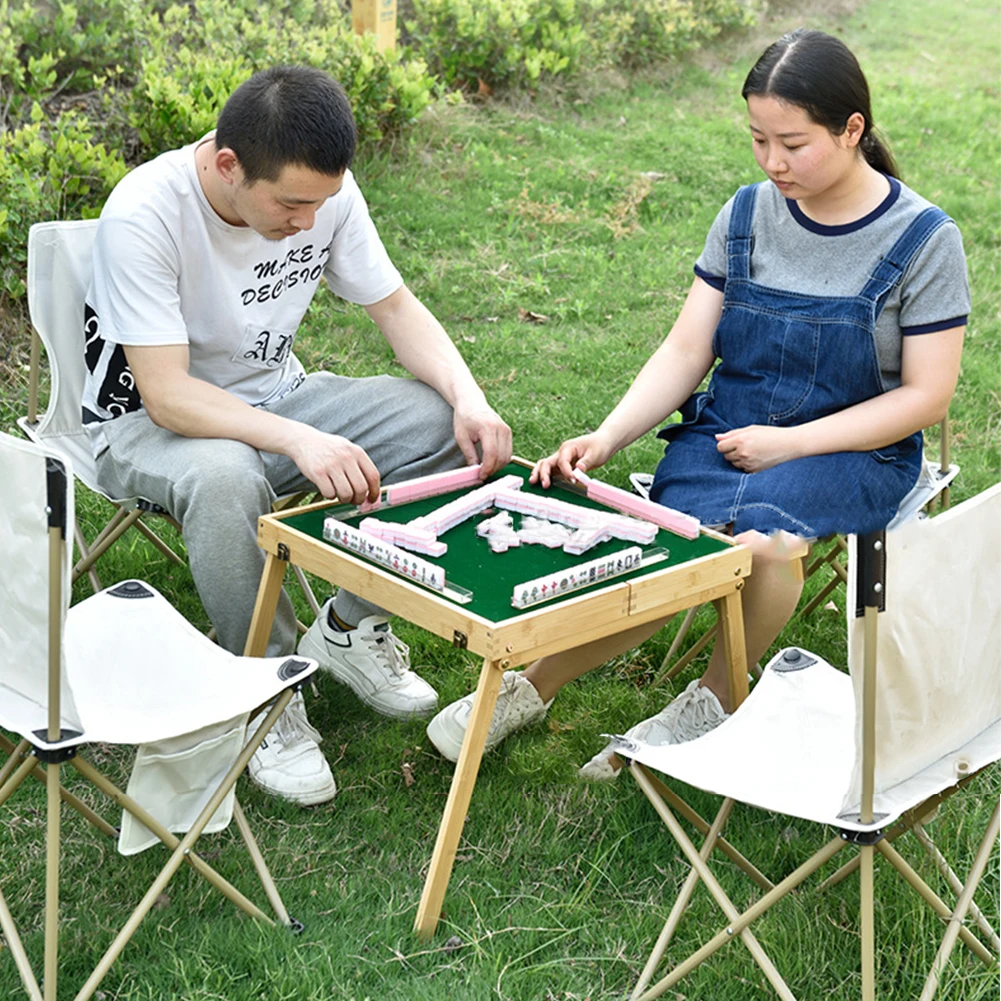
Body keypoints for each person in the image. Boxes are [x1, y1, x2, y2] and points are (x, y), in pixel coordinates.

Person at [425, 29, 968, 777]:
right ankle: (531, 686)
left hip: (853, 451)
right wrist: (608, 435)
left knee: (763, 546)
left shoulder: (924, 239)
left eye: (792, 143)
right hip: (726, 433)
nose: (772, 163)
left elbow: (925, 395)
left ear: (852, 131)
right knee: (672, 545)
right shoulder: (746, 214)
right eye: (757, 140)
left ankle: (712, 698)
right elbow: (686, 351)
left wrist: (792, 444)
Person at [82, 66, 511, 806]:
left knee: (446, 426)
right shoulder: (145, 212)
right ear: (227, 165)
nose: (307, 223)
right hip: (146, 425)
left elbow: (397, 308)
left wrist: (469, 397)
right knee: (225, 479)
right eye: (290, 204)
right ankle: (267, 689)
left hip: (278, 398)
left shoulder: (321, 193)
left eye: (322, 202)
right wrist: (296, 441)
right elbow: (167, 394)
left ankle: (347, 627)